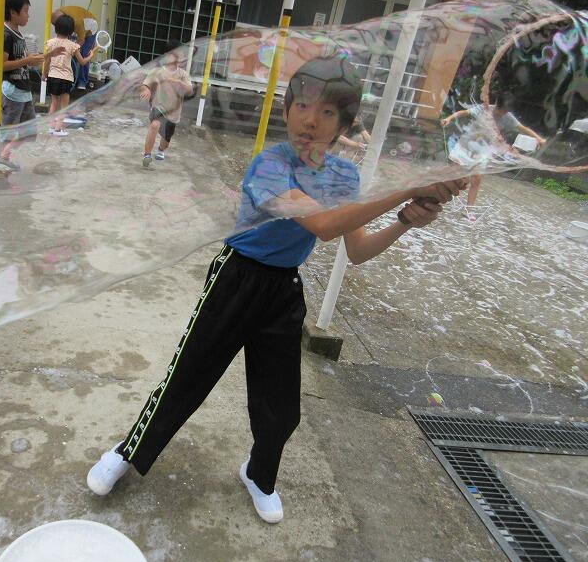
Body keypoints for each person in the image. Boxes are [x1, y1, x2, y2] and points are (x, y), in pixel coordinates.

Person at [87, 54, 467, 523]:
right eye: (303, 105)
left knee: (281, 409)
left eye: (327, 111)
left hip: (284, 290)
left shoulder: (344, 176)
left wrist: (406, 220)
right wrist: (409, 188)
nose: (311, 119)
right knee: (186, 379)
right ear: (287, 110)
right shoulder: (268, 165)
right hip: (235, 279)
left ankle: (258, 474)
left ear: (344, 124)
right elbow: (323, 225)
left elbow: (358, 249)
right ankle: (128, 451)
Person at [441, 92, 545, 220]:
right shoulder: (483, 109)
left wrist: (539, 138)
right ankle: (438, 195)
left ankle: (469, 209)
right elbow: (463, 112)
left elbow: (523, 128)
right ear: (496, 104)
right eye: (501, 110)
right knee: (457, 177)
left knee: (477, 178)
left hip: (482, 150)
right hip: (466, 146)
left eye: (506, 111)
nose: (502, 113)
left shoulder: (508, 117)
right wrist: (449, 118)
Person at [0, 0, 63, 170]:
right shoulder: (5, 34)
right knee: (8, 133)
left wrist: (50, 55)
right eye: (25, 11)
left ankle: (3, 156)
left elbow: (26, 60)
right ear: (13, 12)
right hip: (12, 92)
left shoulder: (18, 33)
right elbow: (1, 65)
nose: (28, 15)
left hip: (24, 92)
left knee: (29, 133)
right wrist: (27, 61)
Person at [139, 40, 193, 167]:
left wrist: (179, 83)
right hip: (158, 107)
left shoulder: (183, 74)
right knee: (155, 125)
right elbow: (144, 84)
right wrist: (146, 90)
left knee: (166, 141)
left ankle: (161, 149)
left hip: (173, 113)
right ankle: (147, 155)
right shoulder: (157, 71)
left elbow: (190, 90)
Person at [43, 14, 97, 136]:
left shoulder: (50, 43)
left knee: (54, 103)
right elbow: (82, 62)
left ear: (56, 28)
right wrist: (90, 56)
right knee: (64, 106)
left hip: (52, 77)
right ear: (71, 31)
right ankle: (58, 129)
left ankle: (51, 127)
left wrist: (44, 74)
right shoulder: (72, 45)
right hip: (65, 79)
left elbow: (47, 61)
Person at [50, 6, 99, 91]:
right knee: (74, 55)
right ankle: (72, 79)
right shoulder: (58, 14)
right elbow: (82, 61)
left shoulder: (77, 22)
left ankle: (82, 82)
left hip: (91, 28)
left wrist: (74, 50)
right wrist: (89, 56)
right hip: (62, 79)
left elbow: (81, 40)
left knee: (84, 53)